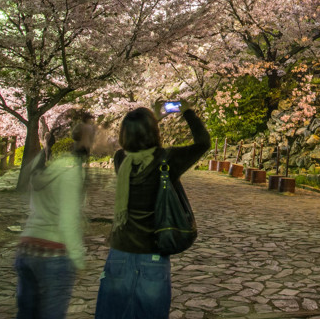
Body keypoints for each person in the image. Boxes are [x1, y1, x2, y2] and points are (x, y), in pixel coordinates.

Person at [94, 101, 210, 319]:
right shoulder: (167, 160)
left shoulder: (121, 160)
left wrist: (151, 118)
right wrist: (186, 111)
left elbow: (137, 140)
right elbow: (203, 143)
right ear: (154, 132)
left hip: (119, 253)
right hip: (153, 255)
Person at [15, 119, 96, 319]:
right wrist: (78, 258)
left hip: (27, 248)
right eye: (88, 138)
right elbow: (67, 219)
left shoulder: (40, 164)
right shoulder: (70, 171)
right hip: (53, 253)